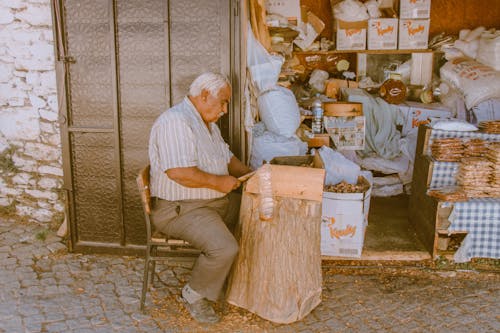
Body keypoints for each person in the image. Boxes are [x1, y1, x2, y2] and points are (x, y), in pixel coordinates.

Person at [148, 72, 252, 323]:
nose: (225, 109)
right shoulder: (175, 122)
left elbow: (227, 159)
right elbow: (179, 172)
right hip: (182, 209)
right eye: (223, 102)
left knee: (260, 214)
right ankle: (194, 294)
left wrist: (251, 175)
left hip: (212, 203)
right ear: (205, 96)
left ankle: (244, 282)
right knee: (224, 248)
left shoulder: (207, 124)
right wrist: (220, 182)